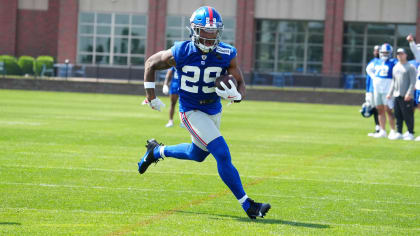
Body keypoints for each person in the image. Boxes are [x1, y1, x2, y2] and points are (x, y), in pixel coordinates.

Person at [139, 6, 271, 219]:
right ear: (193, 30)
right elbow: (150, 64)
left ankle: (156, 151)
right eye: (205, 31)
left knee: (197, 154)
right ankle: (249, 205)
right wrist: (151, 96)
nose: (210, 36)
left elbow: (241, 83)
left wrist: (238, 96)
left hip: (213, 110)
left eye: (214, 31)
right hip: (191, 110)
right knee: (222, 153)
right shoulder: (182, 51)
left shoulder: (226, 53)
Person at [366, 43, 397, 138]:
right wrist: (373, 77)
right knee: (380, 110)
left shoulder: (393, 62)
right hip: (377, 89)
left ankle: (393, 130)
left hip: (387, 89)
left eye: (386, 52)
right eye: (382, 52)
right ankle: (382, 131)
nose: (384, 54)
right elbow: (368, 69)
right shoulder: (376, 62)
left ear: (390, 53)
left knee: (388, 110)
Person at [386, 48, 416, 140]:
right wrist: (390, 93)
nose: (400, 55)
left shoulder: (410, 67)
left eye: (402, 54)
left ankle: (410, 132)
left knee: (408, 115)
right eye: (398, 54)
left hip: (406, 95)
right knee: (398, 114)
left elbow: (412, 82)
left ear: (406, 55)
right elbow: (393, 82)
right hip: (397, 95)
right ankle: (399, 132)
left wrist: (409, 93)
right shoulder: (395, 67)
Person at [406, 34, 420, 141]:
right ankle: (410, 131)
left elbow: (415, 51)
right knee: (412, 109)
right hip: (417, 88)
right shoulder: (414, 62)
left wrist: (411, 42)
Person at [365, 45, 381, 136]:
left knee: (383, 109)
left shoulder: (382, 62)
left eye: (378, 51)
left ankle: (389, 129)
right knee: (374, 109)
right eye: (375, 51)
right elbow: (368, 78)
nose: (376, 52)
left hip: (380, 89)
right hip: (371, 89)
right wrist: (367, 90)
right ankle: (378, 128)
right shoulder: (372, 62)